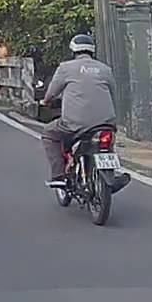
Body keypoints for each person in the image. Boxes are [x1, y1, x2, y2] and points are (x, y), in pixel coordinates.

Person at [39, 34, 118, 188]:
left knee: (49, 133)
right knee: (107, 143)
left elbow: (52, 93)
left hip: (75, 123)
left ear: (73, 51)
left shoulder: (66, 68)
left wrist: (46, 101)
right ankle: (112, 173)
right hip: (106, 122)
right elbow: (113, 94)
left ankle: (59, 175)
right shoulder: (105, 69)